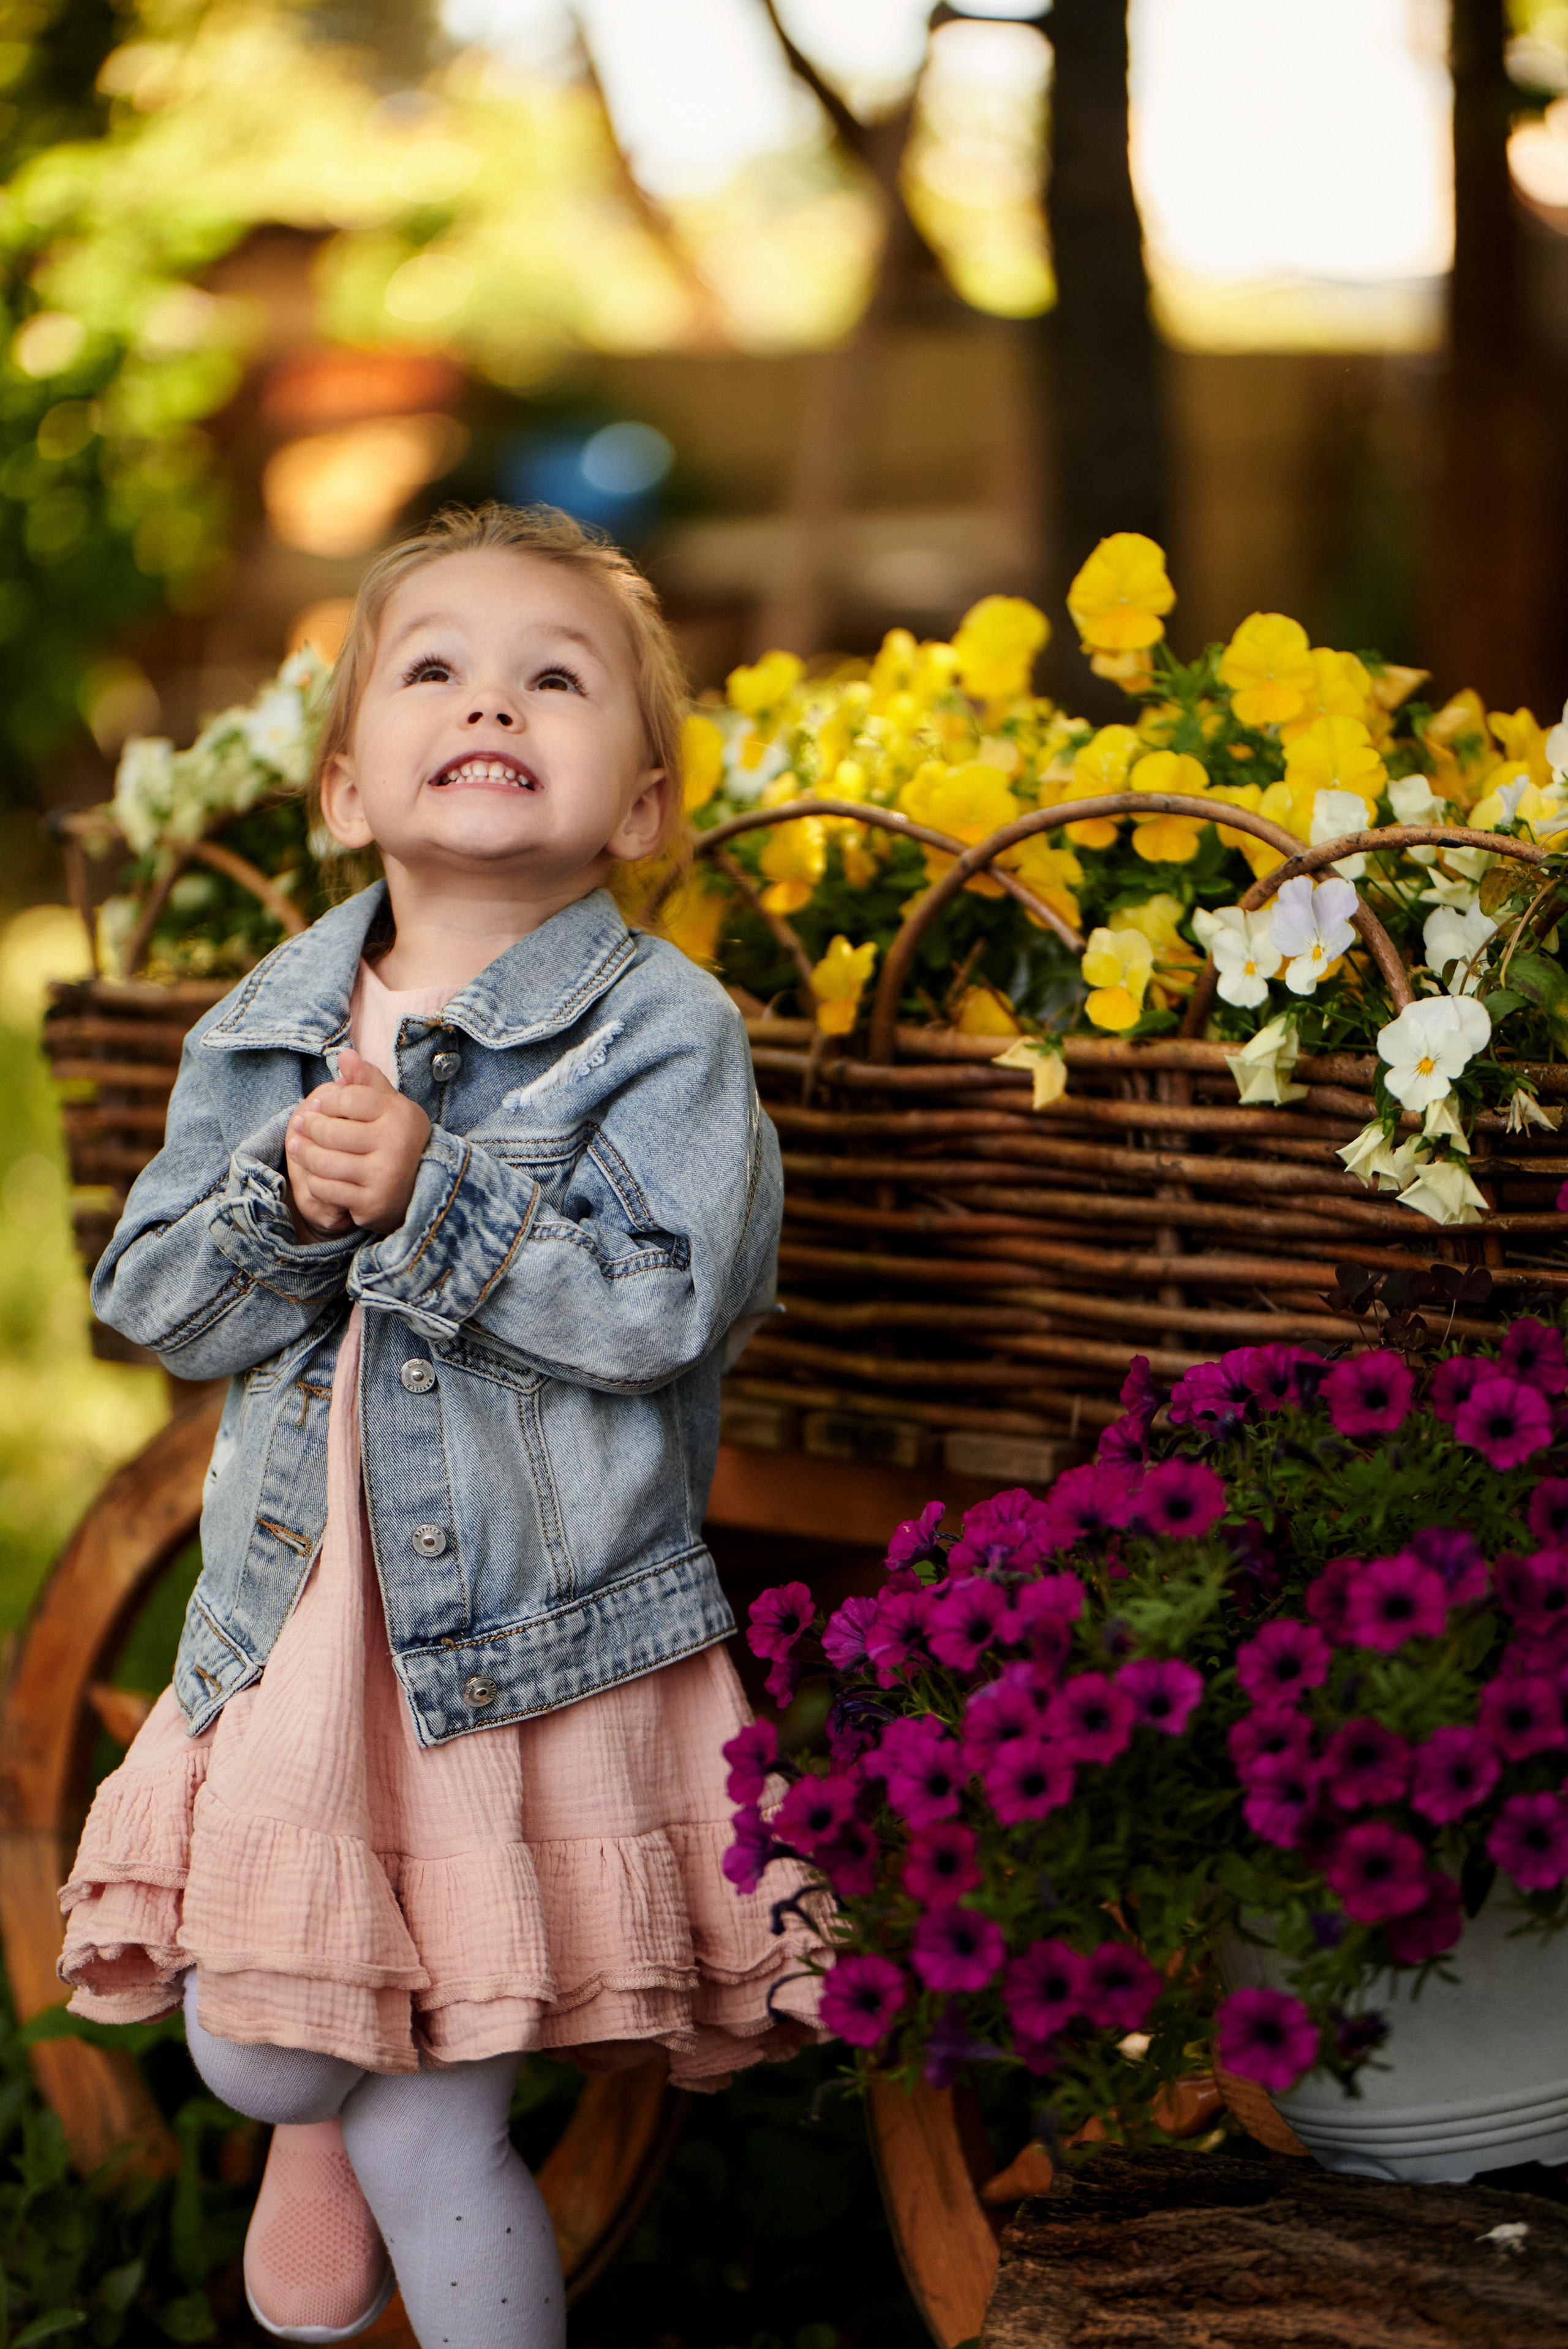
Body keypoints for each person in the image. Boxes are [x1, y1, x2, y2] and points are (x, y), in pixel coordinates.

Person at [59, 504, 818, 2349]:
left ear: (638, 804)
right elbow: (153, 1299)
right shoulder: (260, 1031)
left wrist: (434, 1192)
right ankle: (315, 2095)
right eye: (435, 668)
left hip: (525, 1659)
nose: (493, 696)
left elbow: (657, 1305)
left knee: (429, 2126)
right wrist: (284, 1203)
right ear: (342, 788)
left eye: (555, 676)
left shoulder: (665, 1030)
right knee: (252, 2047)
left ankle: (391, 2144)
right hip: (301, 1641)